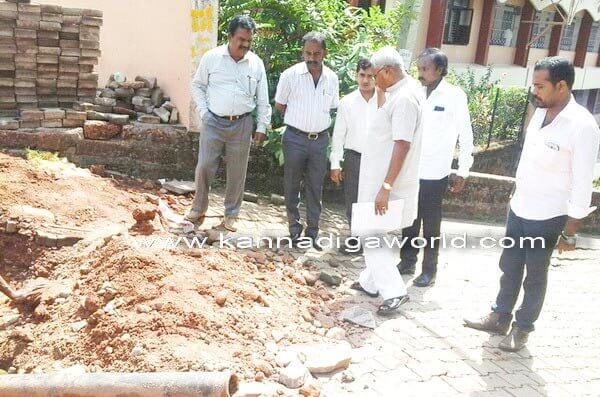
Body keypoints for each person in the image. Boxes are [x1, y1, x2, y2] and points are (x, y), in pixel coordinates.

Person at [464, 57, 600, 352]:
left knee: (535, 275)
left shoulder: (582, 126)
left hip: (549, 215)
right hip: (520, 206)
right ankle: (499, 316)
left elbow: (582, 181)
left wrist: (571, 230)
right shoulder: (540, 113)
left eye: (540, 86)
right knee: (509, 266)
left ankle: (522, 329)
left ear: (561, 86)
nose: (534, 91)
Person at [350, 46, 424, 315]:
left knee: (370, 234)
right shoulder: (402, 92)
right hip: (382, 179)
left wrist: (386, 186)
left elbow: (402, 144)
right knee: (375, 232)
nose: (372, 80)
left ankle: (394, 291)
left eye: (375, 74)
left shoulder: (404, 99)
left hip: (388, 183)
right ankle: (370, 282)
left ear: (388, 72)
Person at [186, 15, 271, 232]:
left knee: (237, 172)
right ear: (230, 36)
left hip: (242, 124)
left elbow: (263, 99)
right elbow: (197, 86)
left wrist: (262, 126)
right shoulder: (212, 58)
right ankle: (198, 208)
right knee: (204, 166)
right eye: (241, 39)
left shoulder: (256, 63)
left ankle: (231, 214)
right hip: (213, 121)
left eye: (249, 41)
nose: (245, 44)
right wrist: (204, 113)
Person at [399, 48, 474, 287]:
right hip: (411, 168)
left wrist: (463, 170)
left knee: (431, 225)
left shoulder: (454, 95)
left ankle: (429, 270)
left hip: (435, 172)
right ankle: (407, 261)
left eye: (425, 69)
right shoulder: (413, 92)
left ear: (439, 70)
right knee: (409, 219)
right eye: (418, 68)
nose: (420, 73)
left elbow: (466, 134)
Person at [275, 32, 340, 250]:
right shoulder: (290, 75)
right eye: (307, 53)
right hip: (295, 138)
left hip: (320, 140)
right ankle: (294, 229)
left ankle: (312, 232)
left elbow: (332, 107)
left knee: (316, 186)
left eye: (316, 53)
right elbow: (280, 105)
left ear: (325, 53)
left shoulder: (332, 78)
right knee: (291, 184)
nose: (311, 58)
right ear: (302, 52)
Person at [329, 58, 377, 255]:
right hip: (354, 157)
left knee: (374, 200)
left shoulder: (385, 100)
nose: (365, 80)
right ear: (355, 75)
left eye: (370, 76)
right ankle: (355, 238)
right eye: (362, 75)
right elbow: (339, 135)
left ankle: (371, 240)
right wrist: (335, 163)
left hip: (377, 158)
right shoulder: (347, 102)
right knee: (354, 200)